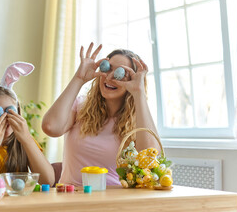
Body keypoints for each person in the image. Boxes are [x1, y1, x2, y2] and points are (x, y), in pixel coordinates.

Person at [41, 42, 160, 186]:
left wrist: (139, 93)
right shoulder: (80, 106)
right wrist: (79, 79)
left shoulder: (138, 119)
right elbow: (50, 127)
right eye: (108, 68)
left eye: (120, 73)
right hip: (72, 199)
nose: (109, 77)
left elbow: (150, 157)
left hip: (114, 201)